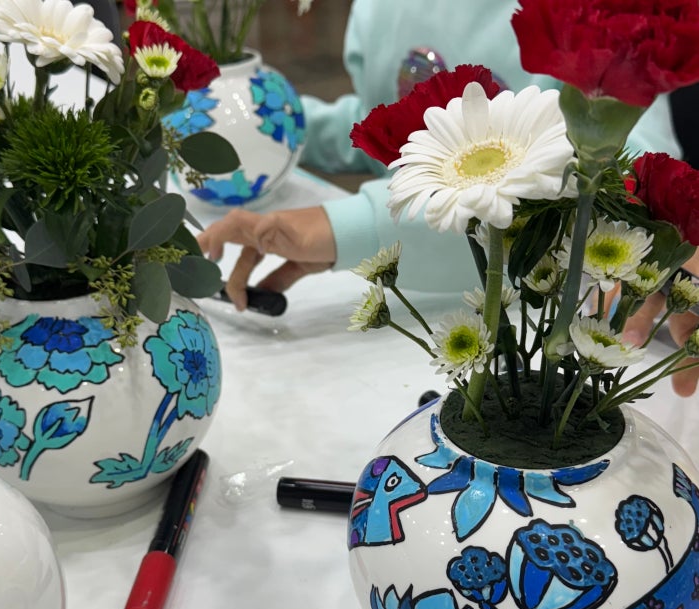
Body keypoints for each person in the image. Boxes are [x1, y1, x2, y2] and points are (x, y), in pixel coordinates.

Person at [197, 0, 692, 378]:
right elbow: (396, 121)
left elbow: (617, 183)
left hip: (528, 334)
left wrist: (350, 227)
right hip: (403, 326)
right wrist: (274, 129)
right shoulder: (375, 9)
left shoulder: (593, 14)